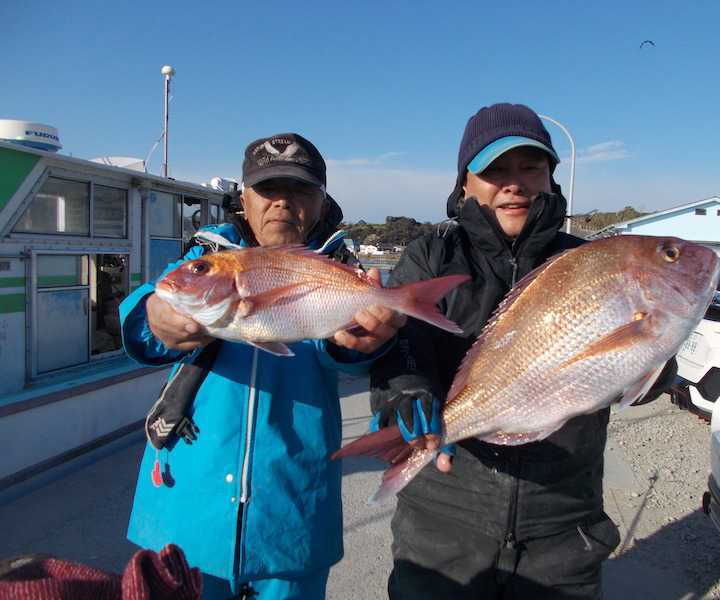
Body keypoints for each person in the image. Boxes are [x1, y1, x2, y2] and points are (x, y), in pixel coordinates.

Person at [370, 103, 675, 599]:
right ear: (464, 185)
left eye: (531, 167)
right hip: (443, 525)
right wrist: (406, 390)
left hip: (563, 525)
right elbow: (402, 338)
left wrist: (654, 366)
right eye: (495, 170)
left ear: (551, 180)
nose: (515, 183)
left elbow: (642, 374)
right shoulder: (432, 255)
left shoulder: (588, 261)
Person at [119, 133, 405, 600]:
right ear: (244, 199)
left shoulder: (339, 272)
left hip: (292, 520)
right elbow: (148, 316)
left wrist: (362, 344)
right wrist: (153, 315)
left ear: (320, 202)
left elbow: (355, 361)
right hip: (185, 520)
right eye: (268, 189)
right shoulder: (206, 260)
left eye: (300, 190)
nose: (282, 203)